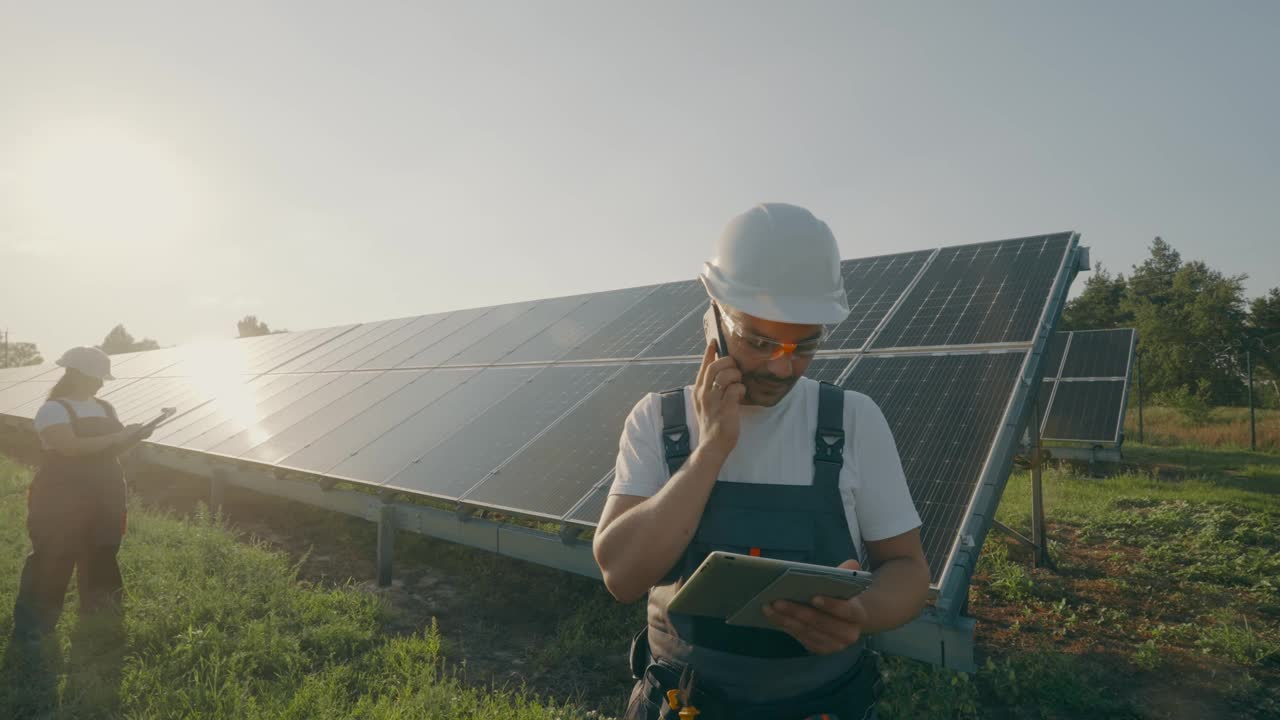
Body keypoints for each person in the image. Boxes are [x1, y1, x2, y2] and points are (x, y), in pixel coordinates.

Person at [594, 203, 931, 720]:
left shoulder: (852, 420)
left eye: (805, 346)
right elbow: (621, 574)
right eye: (759, 340)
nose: (782, 365)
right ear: (715, 315)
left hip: (822, 707)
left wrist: (862, 611)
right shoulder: (662, 422)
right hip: (684, 704)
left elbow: (907, 569)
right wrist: (709, 451)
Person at [11, 346, 151, 645]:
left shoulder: (105, 407)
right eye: (96, 377)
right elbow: (69, 447)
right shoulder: (53, 409)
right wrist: (119, 436)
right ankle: (34, 628)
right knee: (53, 554)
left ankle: (100, 621)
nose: (101, 383)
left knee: (102, 550)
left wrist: (133, 437)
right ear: (75, 375)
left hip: (107, 489)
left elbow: (112, 448)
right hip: (61, 492)